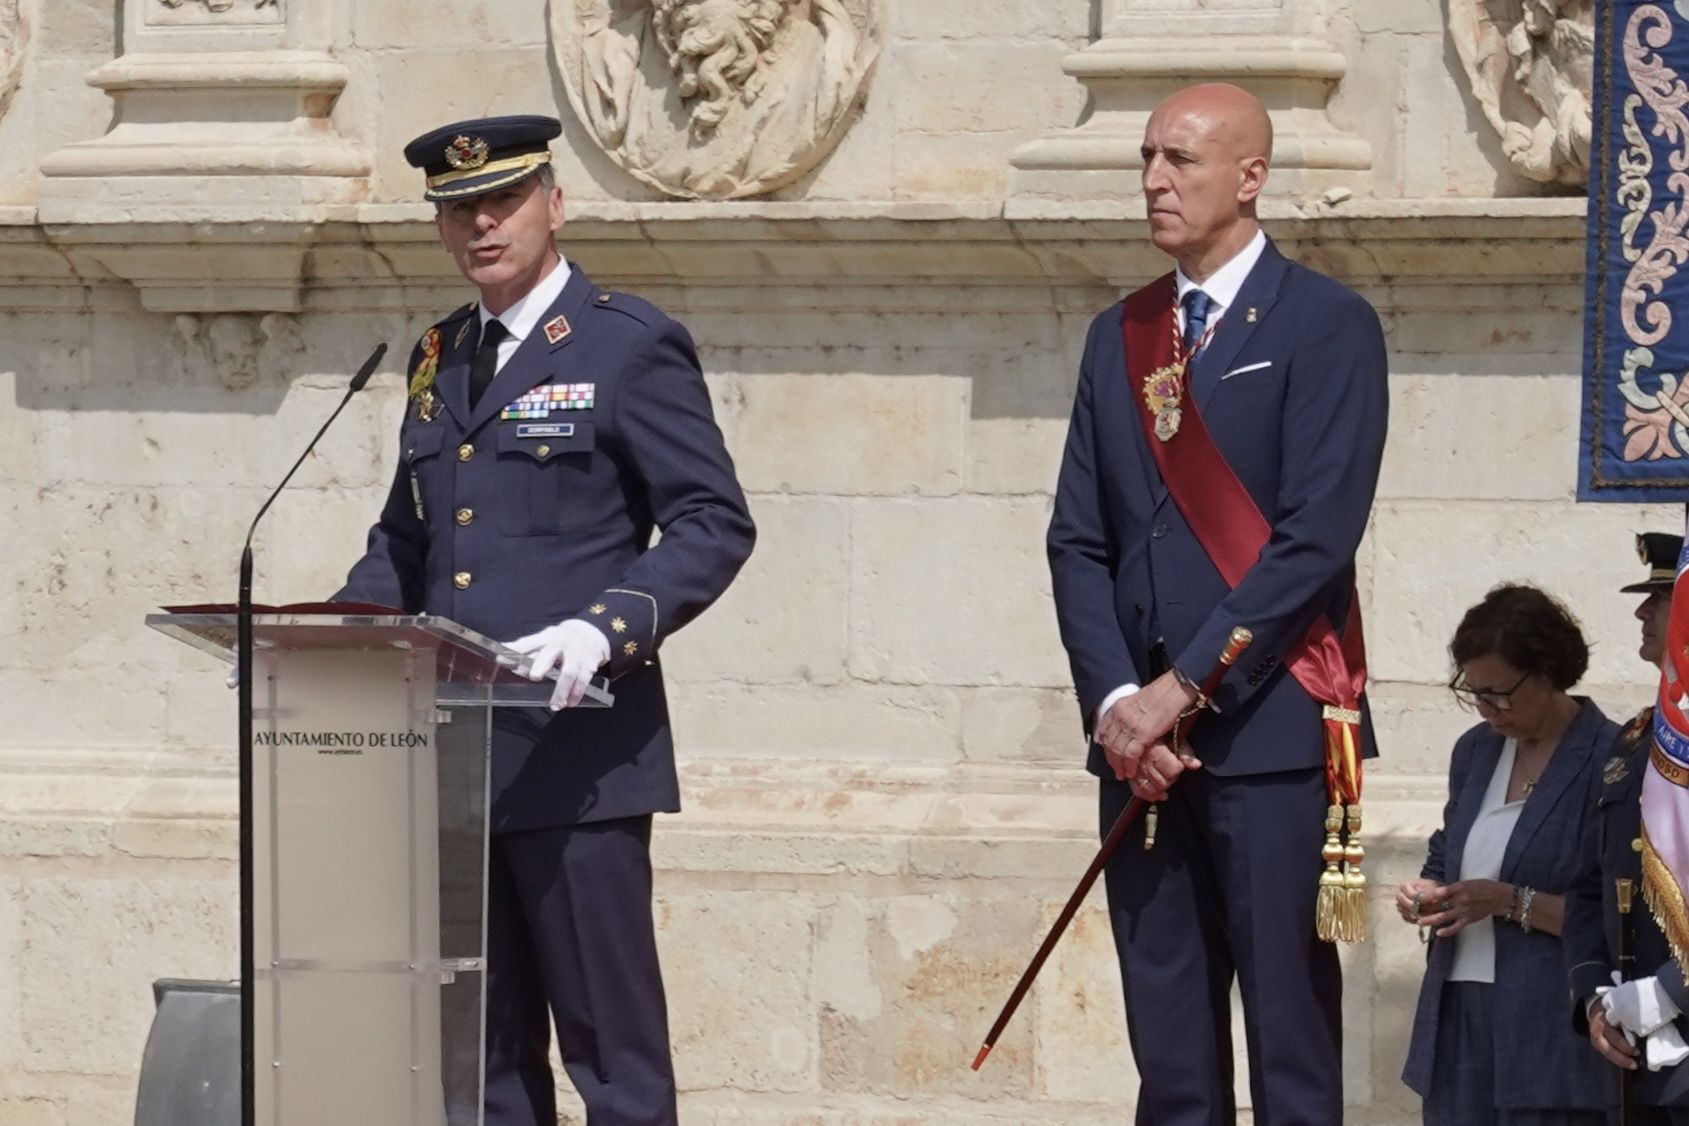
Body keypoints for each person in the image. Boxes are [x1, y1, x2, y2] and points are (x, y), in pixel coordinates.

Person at [333, 115, 755, 1126]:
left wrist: (608, 628)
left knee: (613, 1062)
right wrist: (328, 639)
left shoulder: (625, 343)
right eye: (458, 210)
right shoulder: (440, 354)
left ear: (554, 205)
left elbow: (712, 520)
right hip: (455, 759)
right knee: (479, 1063)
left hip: (578, 756)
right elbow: (408, 536)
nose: (481, 224)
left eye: (502, 201)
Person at [1045, 82, 1388, 1123]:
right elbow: (1078, 540)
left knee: (1289, 1040)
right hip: (1139, 753)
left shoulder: (1326, 323)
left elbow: (1314, 538)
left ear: (1250, 177)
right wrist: (1119, 704)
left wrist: (1182, 687)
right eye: (1146, 159)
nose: (1153, 180)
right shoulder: (1120, 332)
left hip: (1268, 736)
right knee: (1172, 1054)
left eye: (1180, 160)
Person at [1398, 584, 1615, 1124]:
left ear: (1547, 672)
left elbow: (1618, 915)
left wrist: (1509, 902)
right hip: (1456, 1016)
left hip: (1551, 1027)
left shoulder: (1612, 758)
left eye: (1499, 694)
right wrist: (1426, 891)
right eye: (1473, 693)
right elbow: (1446, 853)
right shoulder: (1475, 750)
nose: (1487, 710)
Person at [1564, 532, 1689, 1123]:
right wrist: (1595, 998)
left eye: (1660, 599)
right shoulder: (1634, 742)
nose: (1642, 612)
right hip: (1634, 1061)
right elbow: (1589, 885)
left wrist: (1669, 992)